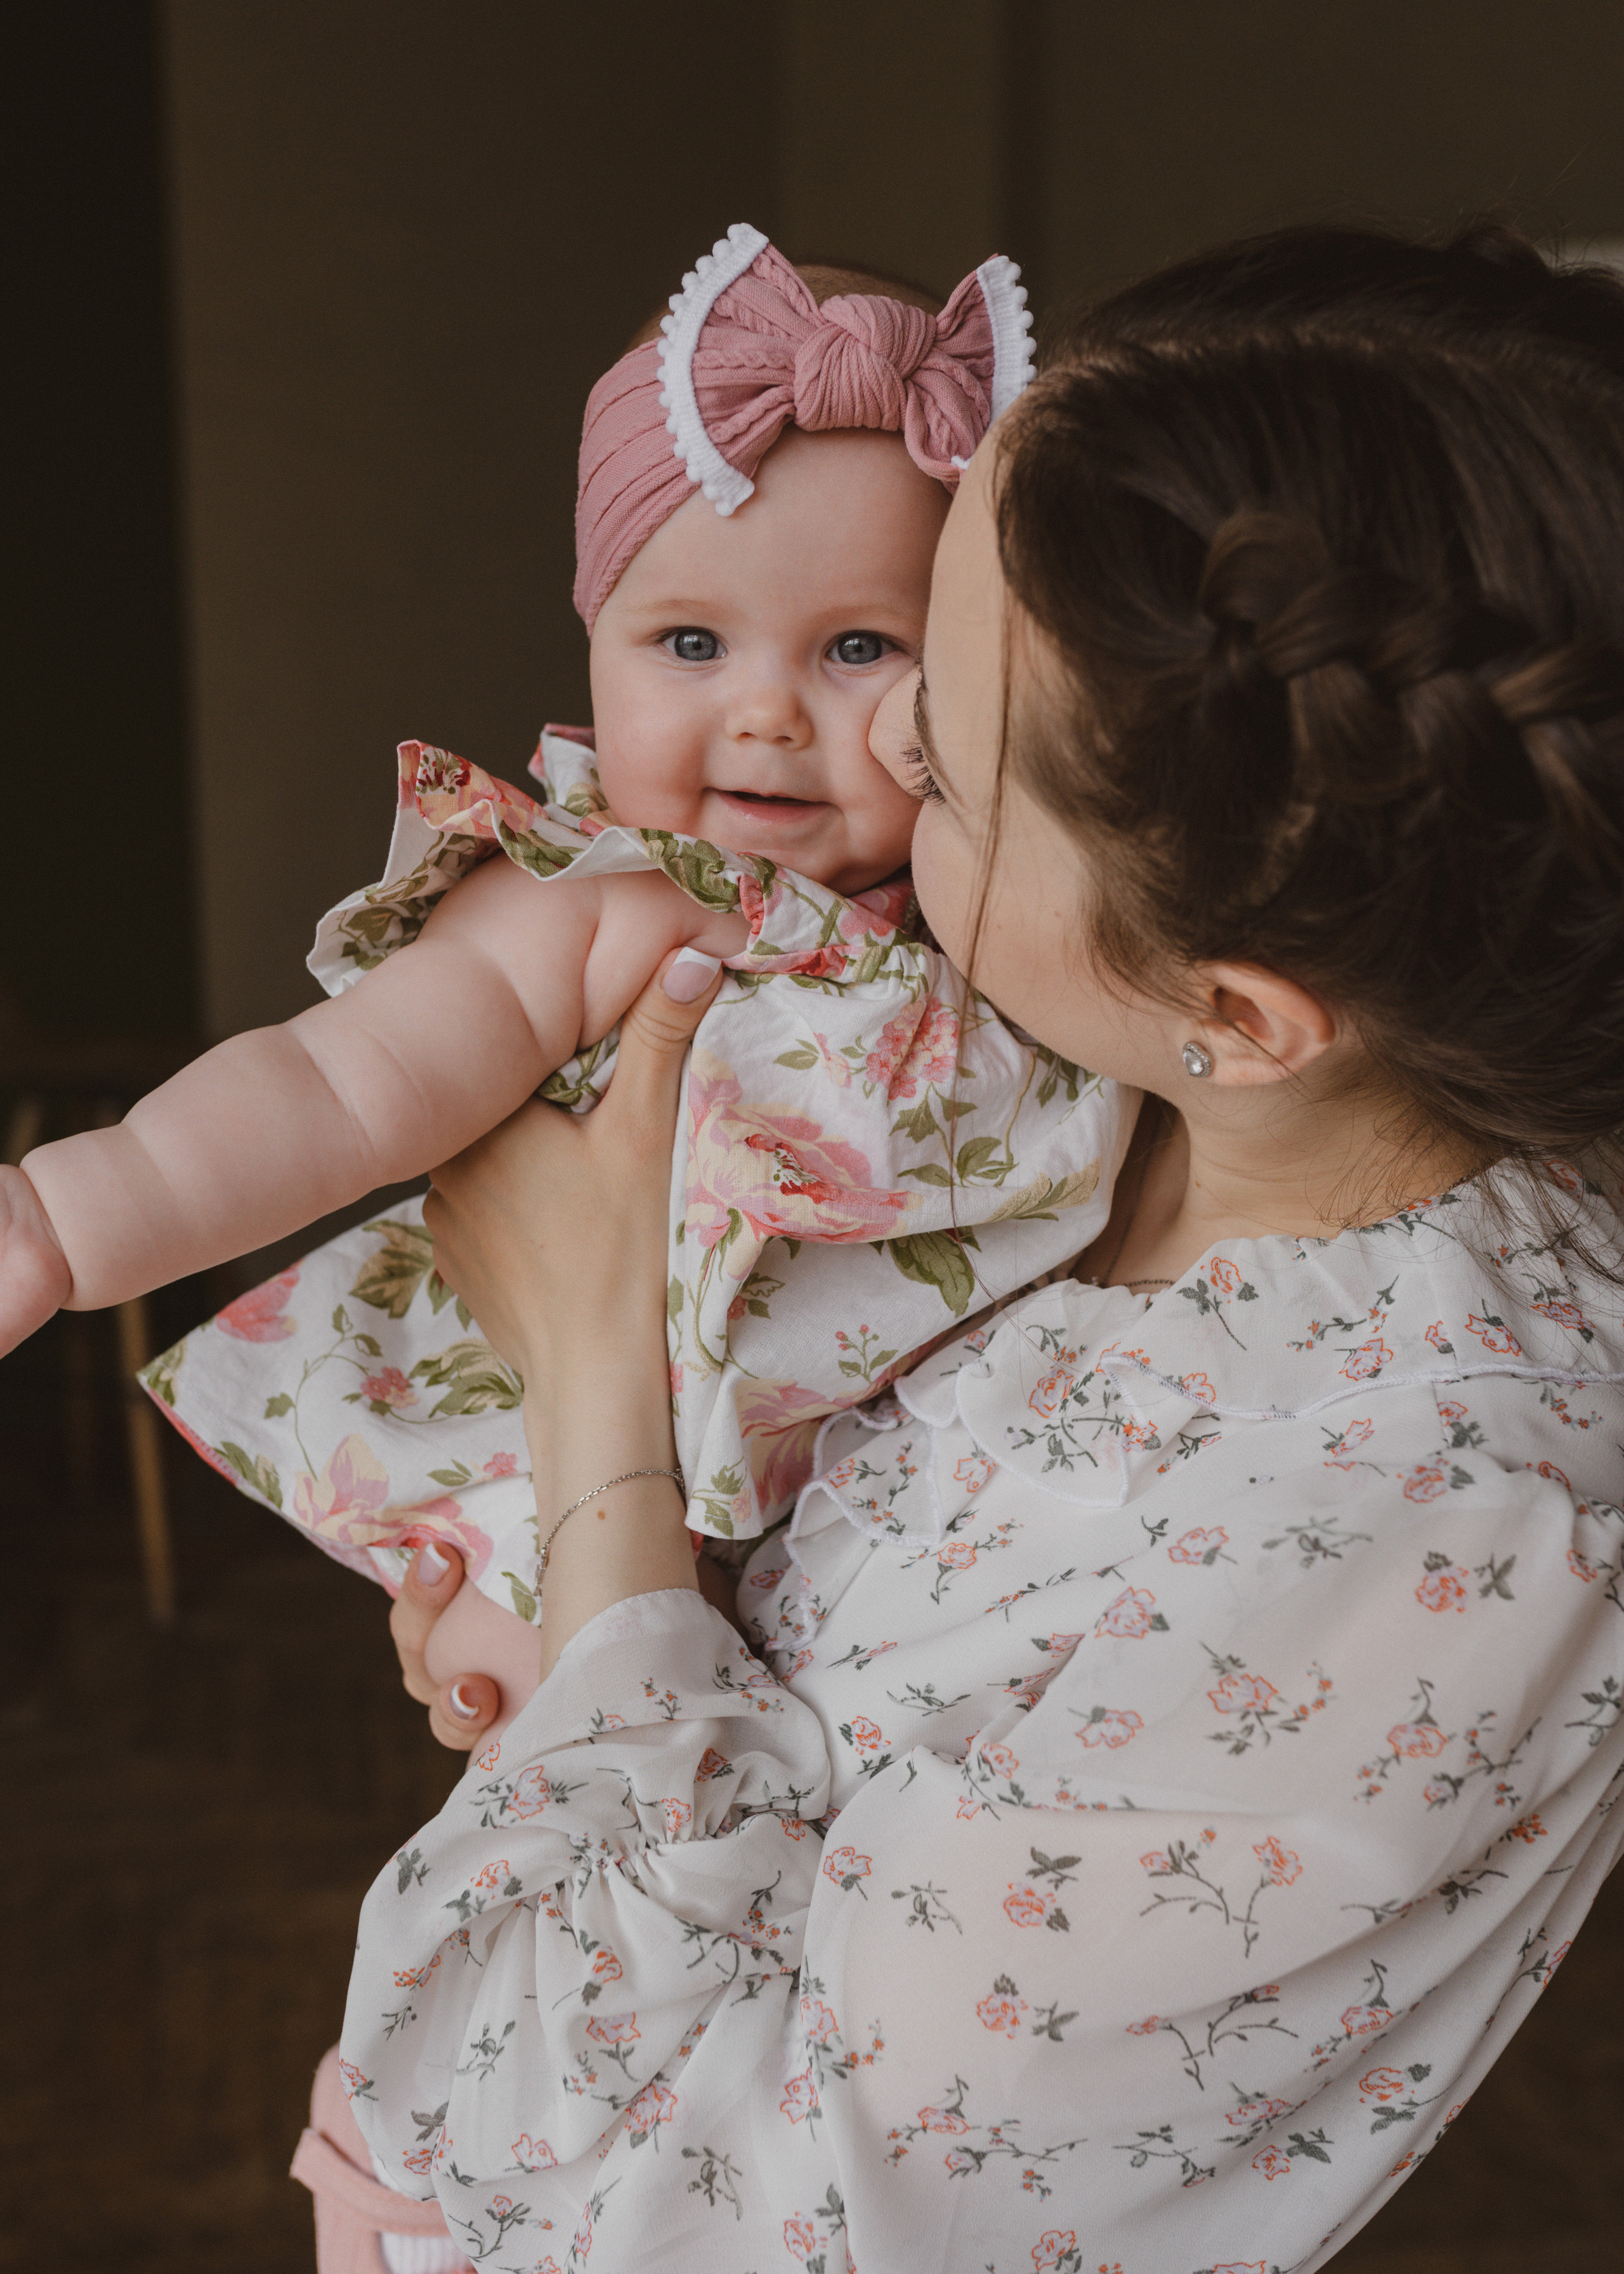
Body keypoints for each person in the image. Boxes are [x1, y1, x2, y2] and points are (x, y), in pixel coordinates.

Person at [315, 223, 1624, 2273]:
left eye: (954, 762)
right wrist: (569, 1570)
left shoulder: (1430, 1518)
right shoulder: (1083, 1096)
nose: (881, 747)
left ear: (1249, 1001)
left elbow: (761, 2213)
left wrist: (598, 1414)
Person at [6, 230, 1127, 1720]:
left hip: (910, 1507)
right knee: (548, 1702)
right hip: (581, 1474)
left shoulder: (993, 900)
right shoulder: (617, 899)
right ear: (590, 637)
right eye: (687, 641)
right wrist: (70, 1216)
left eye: (858, 646)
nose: (763, 715)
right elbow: (343, 1082)